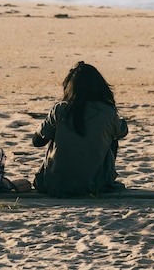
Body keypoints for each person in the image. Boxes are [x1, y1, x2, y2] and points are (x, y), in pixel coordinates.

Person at [32, 61, 128, 197]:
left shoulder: (61, 110)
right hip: (94, 184)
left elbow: (37, 142)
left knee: (56, 133)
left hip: (54, 184)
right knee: (112, 138)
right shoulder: (108, 113)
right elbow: (122, 132)